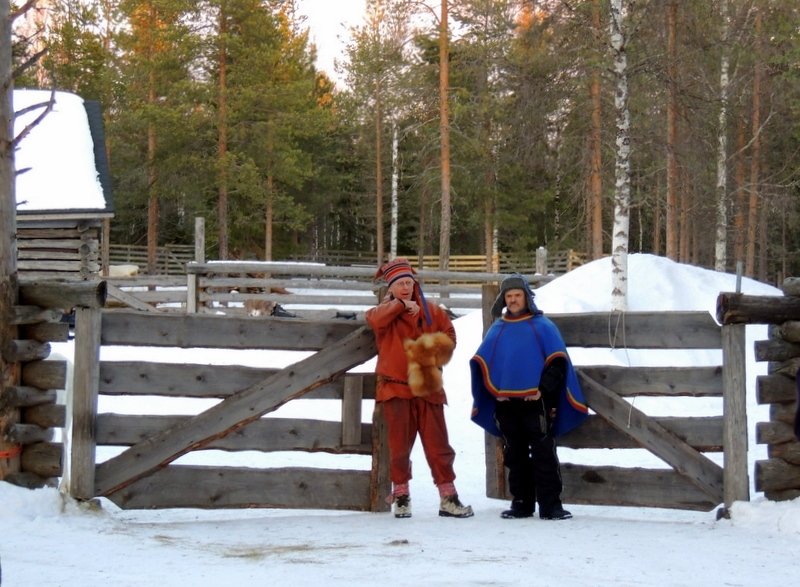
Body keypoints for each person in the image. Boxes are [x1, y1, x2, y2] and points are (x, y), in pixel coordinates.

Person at [470, 274, 588, 520]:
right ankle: (521, 503)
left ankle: (551, 506)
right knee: (514, 455)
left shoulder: (543, 326)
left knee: (544, 454)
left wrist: (541, 390)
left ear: (526, 298)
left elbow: (558, 363)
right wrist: (495, 393)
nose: (513, 300)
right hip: (506, 405)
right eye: (509, 296)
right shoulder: (497, 329)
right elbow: (483, 364)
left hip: (536, 403)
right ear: (503, 299)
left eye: (517, 295)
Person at [366, 258, 474, 519]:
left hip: (428, 389)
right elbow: (375, 320)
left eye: (409, 283)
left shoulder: (433, 312)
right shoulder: (383, 313)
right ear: (391, 288)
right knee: (399, 447)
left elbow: (450, 337)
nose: (405, 287)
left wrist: (427, 350)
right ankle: (401, 497)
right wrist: (401, 305)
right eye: (399, 284)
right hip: (395, 390)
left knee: (439, 446)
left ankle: (448, 498)